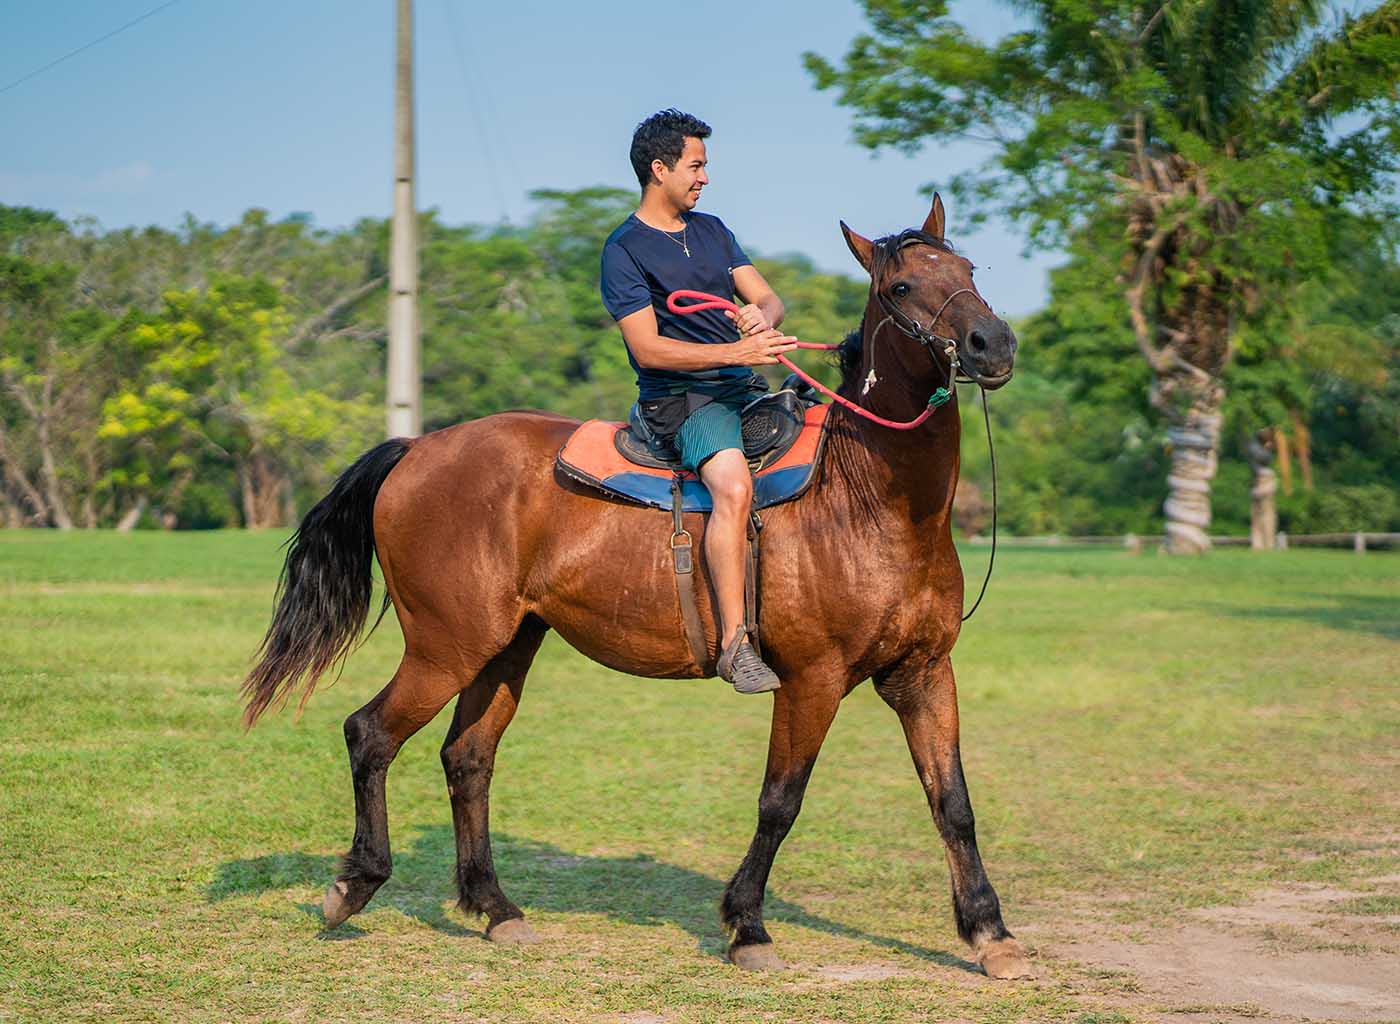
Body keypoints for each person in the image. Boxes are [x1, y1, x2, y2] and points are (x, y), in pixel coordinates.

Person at [599, 108, 796, 694]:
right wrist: (738, 355)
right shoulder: (624, 250)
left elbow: (767, 297)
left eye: (704, 165)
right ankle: (736, 646)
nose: (705, 176)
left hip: (743, 388)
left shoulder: (713, 229)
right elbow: (648, 348)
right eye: (696, 165)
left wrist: (760, 315)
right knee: (734, 486)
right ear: (659, 169)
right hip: (681, 400)